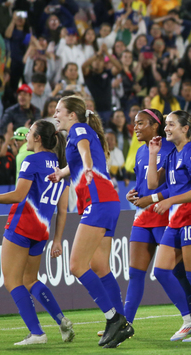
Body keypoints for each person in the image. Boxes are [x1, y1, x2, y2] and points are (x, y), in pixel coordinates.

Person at [0, 120, 73, 345]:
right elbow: (63, 209)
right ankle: (61, 320)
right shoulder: (62, 164)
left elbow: (18, 195)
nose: (25, 137)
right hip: (42, 231)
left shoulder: (31, 161)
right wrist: (57, 240)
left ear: (37, 138)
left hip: (21, 226)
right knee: (30, 279)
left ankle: (37, 333)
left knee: (12, 281)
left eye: (29, 133)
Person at [49, 96, 133, 348]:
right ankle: (122, 323)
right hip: (106, 202)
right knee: (99, 266)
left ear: (72, 114)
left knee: (76, 265)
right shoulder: (78, 131)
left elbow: (84, 151)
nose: (55, 114)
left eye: (58, 110)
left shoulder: (79, 129)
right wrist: (61, 173)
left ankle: (113, 318)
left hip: (98, 202)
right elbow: (76, 159)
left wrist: (86, 167)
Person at [146, 110, 191, 342]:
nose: (166, 128)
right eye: (165, 124)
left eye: (171, 124)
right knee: (161, 271)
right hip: (177, 221)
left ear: (185, 128)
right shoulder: (172, 154)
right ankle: (190, 321)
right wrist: (153, 154)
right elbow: (153, 183)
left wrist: (169, 201)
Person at [123, 108, 178, 325]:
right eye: (135, 123)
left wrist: (152, 199)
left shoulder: (172, 149)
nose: (135, 127)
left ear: (155, 126)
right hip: (142, 217)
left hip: (164, 216)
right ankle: (125, 323)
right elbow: (141, 186)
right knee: (135, 274)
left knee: (173, 273)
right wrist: (134, 194)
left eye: (140, 123)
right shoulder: (140, 151)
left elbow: (177, 187)